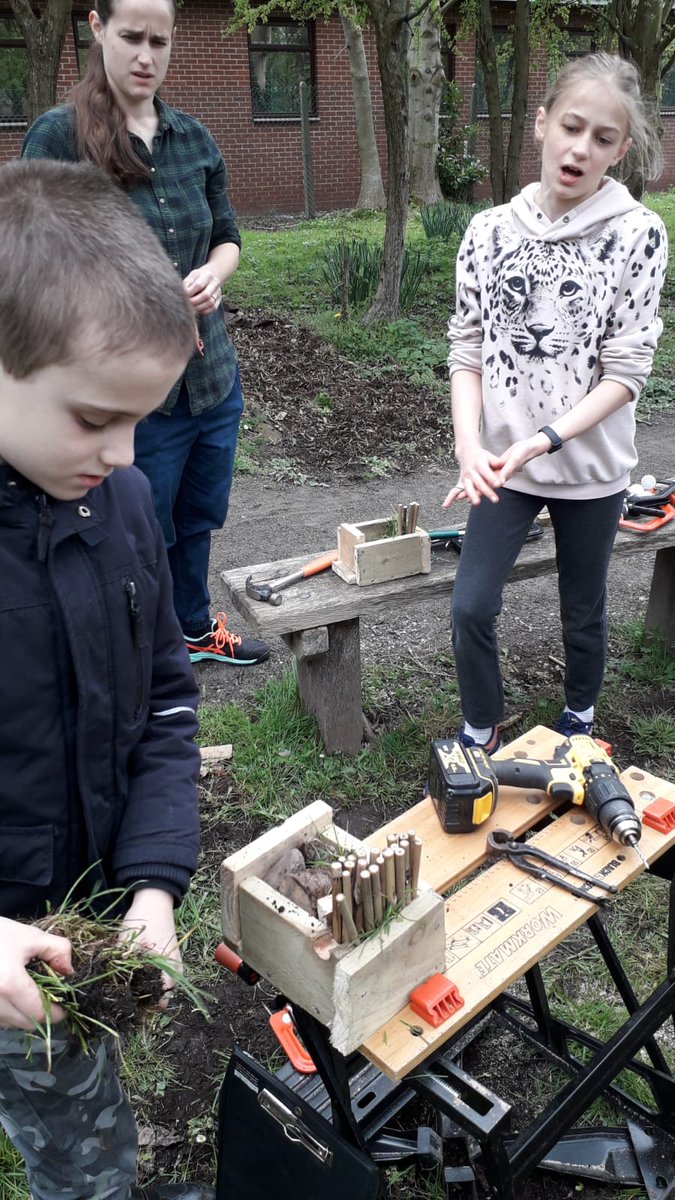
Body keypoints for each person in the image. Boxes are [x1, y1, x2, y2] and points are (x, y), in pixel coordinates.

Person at [0, 158, 212, 1200]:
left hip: (55, 964)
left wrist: (156, 883)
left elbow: (169, 696)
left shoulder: (120, 504)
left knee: (81, 1147)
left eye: (146, 420)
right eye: (94, 419)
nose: (128, 455)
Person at [22, 0, 269, 669]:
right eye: (130, 37)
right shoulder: (57, 140)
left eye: (159, 41)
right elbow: (37, 270)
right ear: (97, 28)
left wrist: (214, 277)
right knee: (135, 531)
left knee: (197, 517)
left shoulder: (193, 138)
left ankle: (191, 627)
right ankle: (140, 655)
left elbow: (227, 237)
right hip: (130, 397)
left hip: (210, 378)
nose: (145, 56)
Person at [445, 52, 668, 755]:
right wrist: (467, 446)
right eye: (570, 126)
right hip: (501, 468)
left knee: (583, 612)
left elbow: (626, 373)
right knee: (470, 604)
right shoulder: (487, 230)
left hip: (591, 467)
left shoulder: (638, 234)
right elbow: (466, 350)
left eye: (603, 138)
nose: (581, 148)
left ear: (620, 150)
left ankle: (578, 718)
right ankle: (481, 723)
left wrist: (544, 437)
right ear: (540, 123)